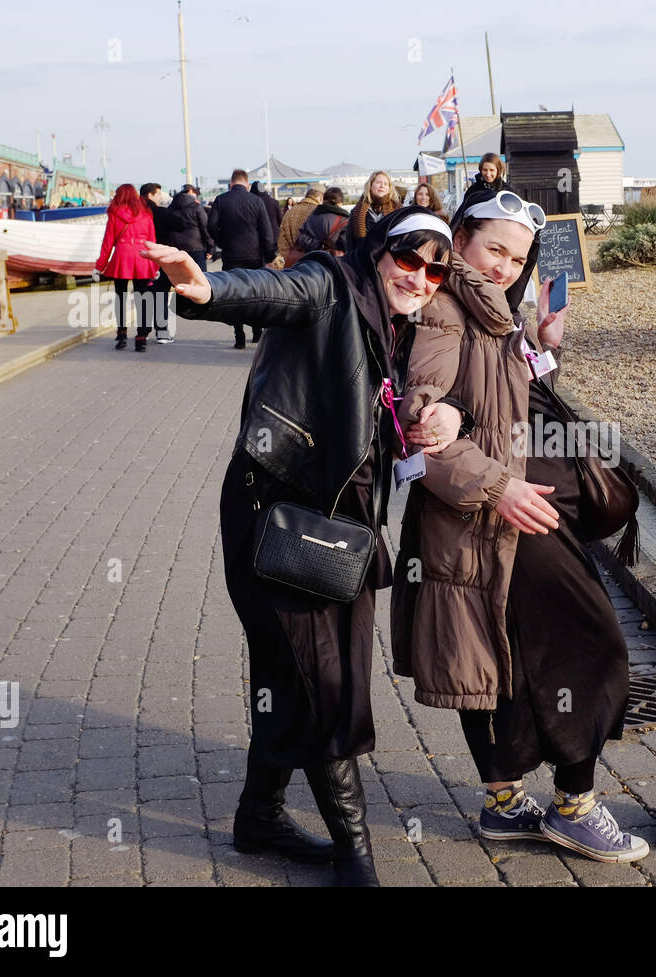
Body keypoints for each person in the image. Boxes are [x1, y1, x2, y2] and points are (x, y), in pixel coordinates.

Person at [143, 205, 463, 886]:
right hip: (282, 511)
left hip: (342, 523)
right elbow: (274, 291)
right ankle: (356, 852)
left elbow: (390, 397)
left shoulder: (397, 320)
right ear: (380, 250)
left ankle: (258, 815)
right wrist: (205, 290)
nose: (422, 276)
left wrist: (431, 414)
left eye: (437, 268)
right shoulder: (331, 282)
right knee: (326, 680)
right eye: (410, 257)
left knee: (289, 674)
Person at [391, 188, 646, 863]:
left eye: (518, 256)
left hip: (527, 515)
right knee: (589, 642)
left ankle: (505, 804)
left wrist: (538, 346)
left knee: (501, 659)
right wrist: (499, 488)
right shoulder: (445, 311)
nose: (506, 266)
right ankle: (575, 807)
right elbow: (421, 435)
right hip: (501, 521)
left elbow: (497, 405)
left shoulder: (492, 309)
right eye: (494, 249)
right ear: (461, 239)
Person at [208, 169, 277, 348]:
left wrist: (222, 241)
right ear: (247, 184)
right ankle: (256, 332)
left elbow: (211, 226)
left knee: (233, 294)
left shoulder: (221, 200)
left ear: (231, 184)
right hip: (254, 256)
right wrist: (270, 254)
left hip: (231, 255)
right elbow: (266, 232)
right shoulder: (256, 201)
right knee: (254, 293)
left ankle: (239, 336)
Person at [95, 183, 159, 352]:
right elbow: (151, 242)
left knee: (120, 298)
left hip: (122, 257)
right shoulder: (145, 214)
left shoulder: (115, 214)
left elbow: (107, 243)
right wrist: (155, 266)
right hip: (142, 259)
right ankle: (141, 337)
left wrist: (99, 266)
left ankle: (122, 334)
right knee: (142, 298)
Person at [160, 184, 216, 344]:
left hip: (175, 250)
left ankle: (172, 315)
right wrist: (210, 247)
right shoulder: (195, 207)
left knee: (171, 283)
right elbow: (205, 228)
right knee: (201, 280)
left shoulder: (170, 209)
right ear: (191, 194)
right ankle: (202, 308)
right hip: (196, 247)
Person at [140, 182, 174, 344]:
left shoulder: (136, 213)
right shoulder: (162, 213)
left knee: (144, 295)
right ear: (151, 195)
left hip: (141, 260)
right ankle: (161, 332)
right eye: (159, 194)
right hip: (160, 259)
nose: (161, 197)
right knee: (161, 295)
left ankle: (143, 332)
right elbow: (180, 225)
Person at [291, 186, 353, 261]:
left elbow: (301, 239)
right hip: (334, 264)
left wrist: (319, 245)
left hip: (311, 262)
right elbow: (346, 246)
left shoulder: (312, 216)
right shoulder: (345, 220)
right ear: (339, 203)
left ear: (323, 200)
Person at [348, 170, 399, 244]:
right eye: (378, 183)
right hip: (364, 254)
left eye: (385, 184)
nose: (382, 186)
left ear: (389, 188)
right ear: (370, 186)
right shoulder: (356, 212)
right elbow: (350, 242)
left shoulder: (397, 209)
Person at [277, 185, 323, 265]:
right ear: (320, 197)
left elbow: (281, 241)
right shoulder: (318, 212)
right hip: (314, 263)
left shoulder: (290, 212)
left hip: (292, 264)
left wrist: (288, 257)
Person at [251, 179, 282, 244]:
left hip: (258, 237)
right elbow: (280, 220)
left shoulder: (253, 203)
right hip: (274, 235)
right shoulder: (274, 202)